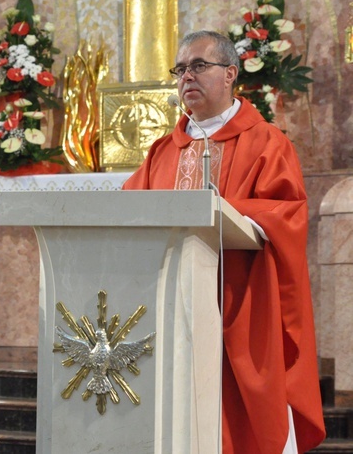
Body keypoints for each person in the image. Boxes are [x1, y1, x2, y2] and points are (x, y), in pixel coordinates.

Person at [123, 30, 325, 453]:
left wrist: (222, 209)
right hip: (166, 310)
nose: (186, 77)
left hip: (237, 302)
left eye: (199, 66)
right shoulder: (163, 151)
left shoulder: (267, 142)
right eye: (180, 70)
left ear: (231, 73)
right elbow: (127, 214)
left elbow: (287, 214)